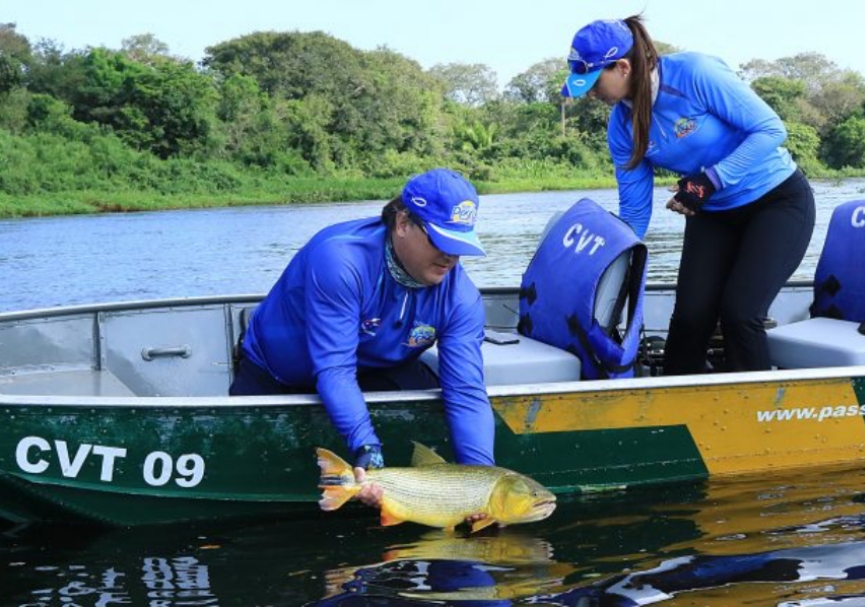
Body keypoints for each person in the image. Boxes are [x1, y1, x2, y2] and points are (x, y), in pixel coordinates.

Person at [560, 16, 816, 373]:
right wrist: (598, 266)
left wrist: (709, 181)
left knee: (740, 314)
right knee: (689, 320)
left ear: (622, 67)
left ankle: (757, 416)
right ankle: (677, 419)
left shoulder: (694, 73)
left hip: (776, 202)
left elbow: (770, 129)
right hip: (713, 215)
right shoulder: (621, 127)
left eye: (593, 82)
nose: (590, 93)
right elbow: (634, 214)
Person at [230, 168, 495, 506]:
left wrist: (482, 486)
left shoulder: (462, 299)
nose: (451, 258)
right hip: (279, 374)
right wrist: (368, 447)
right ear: (402, 223)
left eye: (460, 246)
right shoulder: (341, 261)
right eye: (440, 241)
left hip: (374, 371)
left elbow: (466, 394)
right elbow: (335, 369)